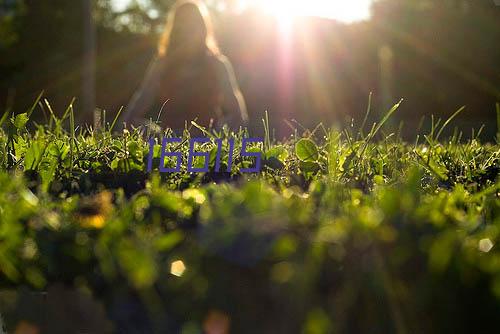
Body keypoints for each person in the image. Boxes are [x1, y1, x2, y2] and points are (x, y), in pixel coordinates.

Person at [122, 0, 248, 130]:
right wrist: (125, 126)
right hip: (170, 139)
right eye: (183, 25)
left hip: (207, 140)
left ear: (202, 28)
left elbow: (238, 115)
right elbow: (142, 99)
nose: (188, 31)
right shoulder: (162, 64)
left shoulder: (218, 64)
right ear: (176, 29)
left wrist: (218, 132)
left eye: (193, 25)